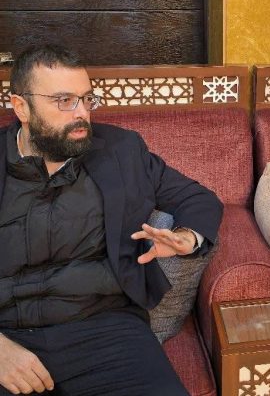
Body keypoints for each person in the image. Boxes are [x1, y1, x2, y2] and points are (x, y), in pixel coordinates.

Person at [0, 44, 223, 395]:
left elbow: (198, 199)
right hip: (7, 335)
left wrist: (186, 237)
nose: (82, 113)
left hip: (105, 330)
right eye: (64, 101)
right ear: (21, 107)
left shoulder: (121, 151)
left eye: (87, 99)